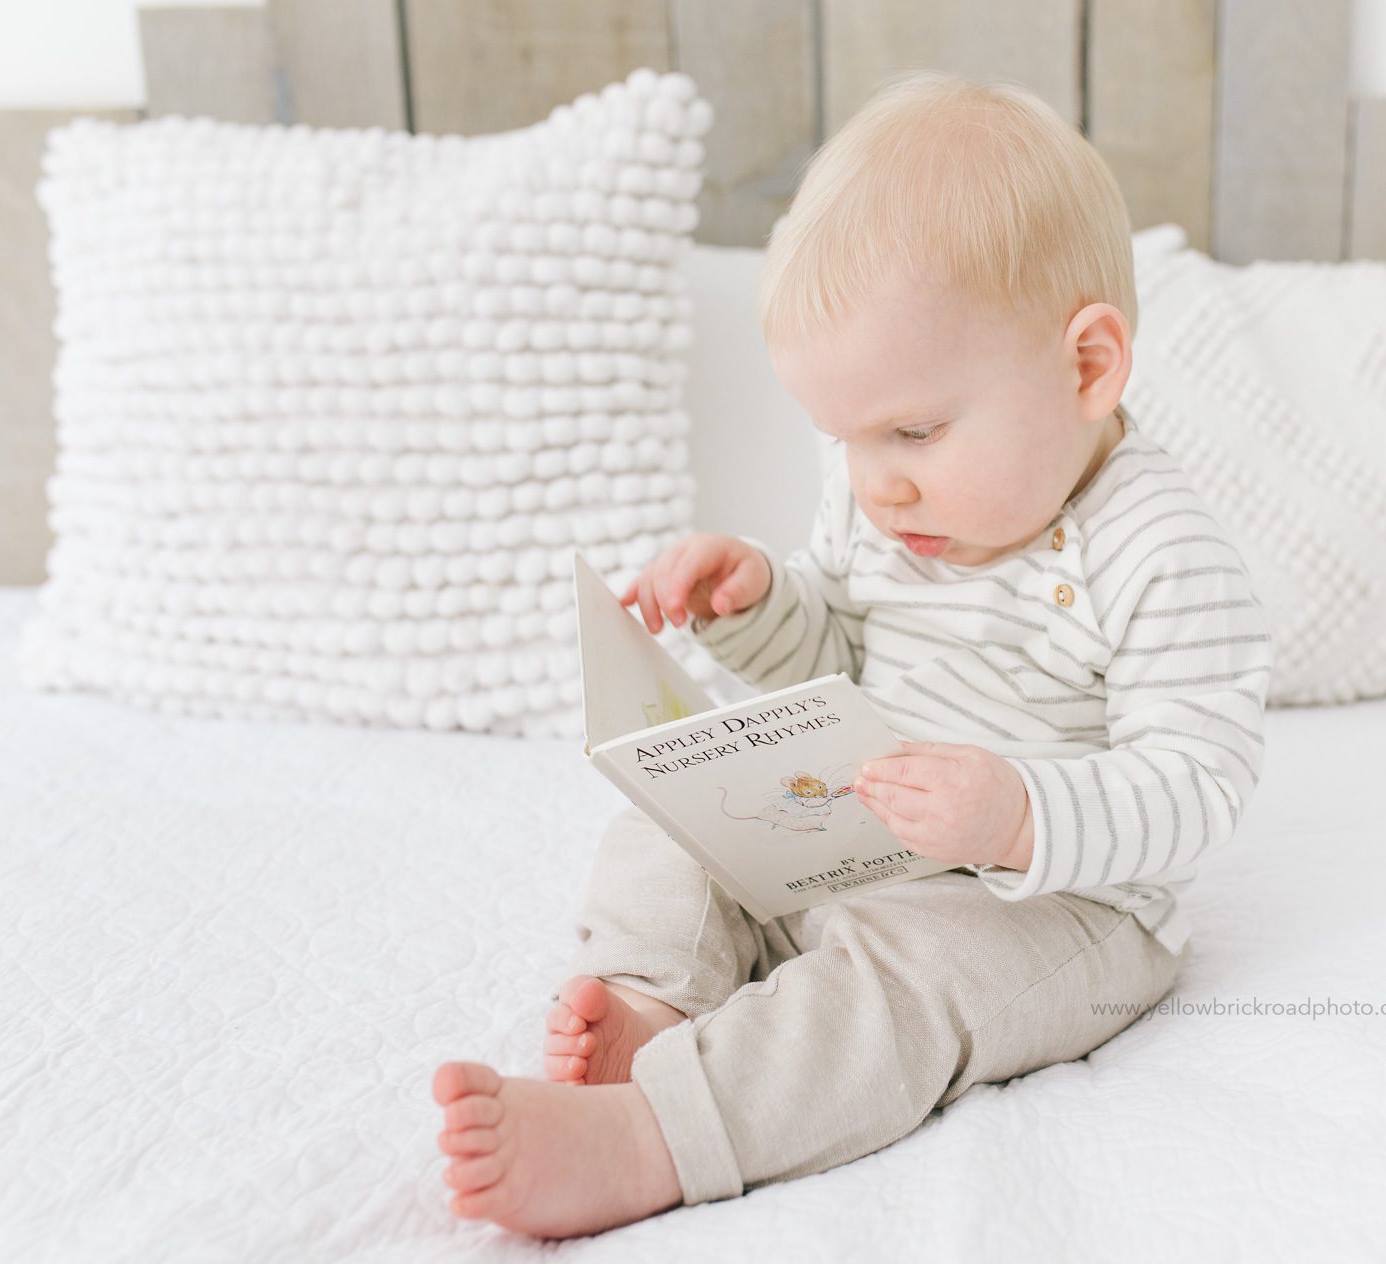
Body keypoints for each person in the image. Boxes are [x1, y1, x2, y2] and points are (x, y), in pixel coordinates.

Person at [430, 68, 1273, 1239]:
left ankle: (656, 1134)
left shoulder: (1164, 552)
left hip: (1051, 902)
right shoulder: (890, 503)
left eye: (914, 431)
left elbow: (1199, 783)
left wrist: (1016, 816)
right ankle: (651, 1002)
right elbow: (835, 653)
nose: (879, 484)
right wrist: (757, 605)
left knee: (901, 985)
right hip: (858, 832)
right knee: (668, 824)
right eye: (846, 440)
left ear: (1087, 367)